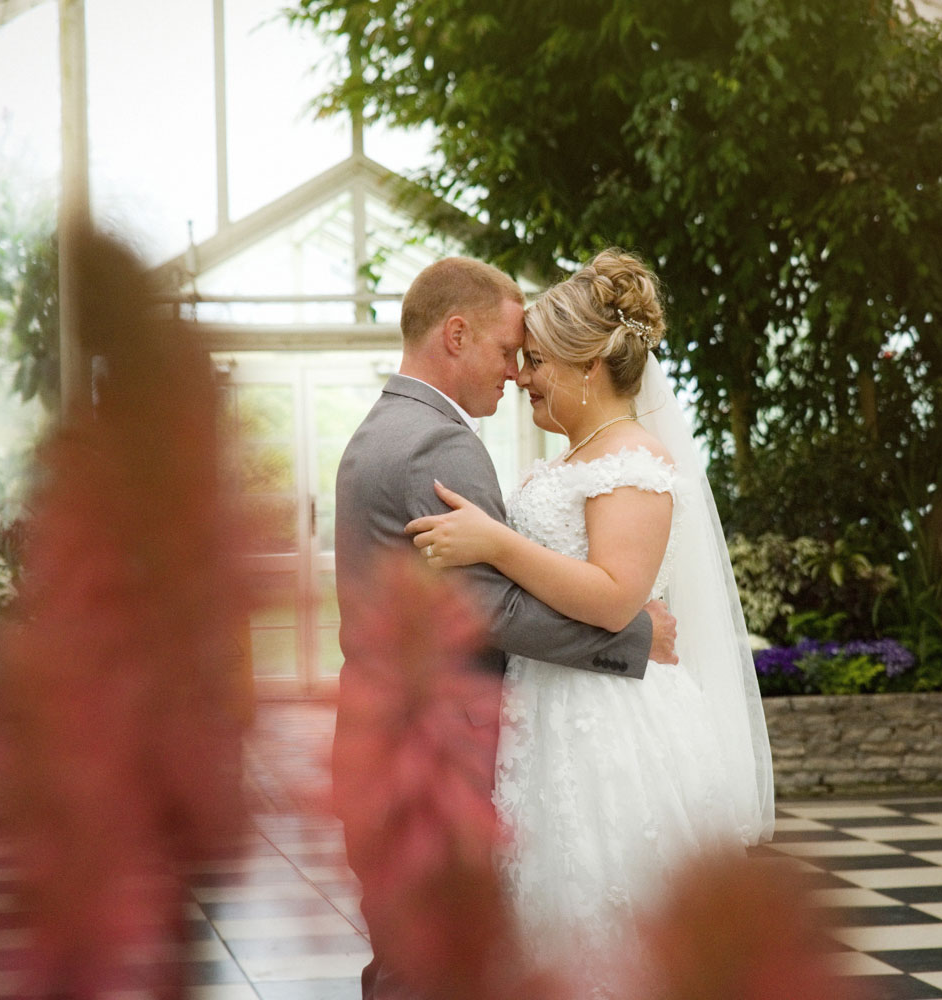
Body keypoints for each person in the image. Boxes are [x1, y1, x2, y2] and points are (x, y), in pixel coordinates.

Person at [405, 249, 775, 995]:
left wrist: (495, 543)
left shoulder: (632, 460)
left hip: (611, 726)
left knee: (611, 927)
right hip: (550, 712)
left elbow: (612, 595)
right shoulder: (578, 457)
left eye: (535, 361)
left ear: (586, 366)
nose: (522, 378)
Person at [332, 256, 679, 1000]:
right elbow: (491, 610)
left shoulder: (389, 426)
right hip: (429, 755)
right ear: (455, 335)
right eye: (506, 351)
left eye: (531, 358)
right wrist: (636, 638)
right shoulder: (434, 442)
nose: (516, 372)